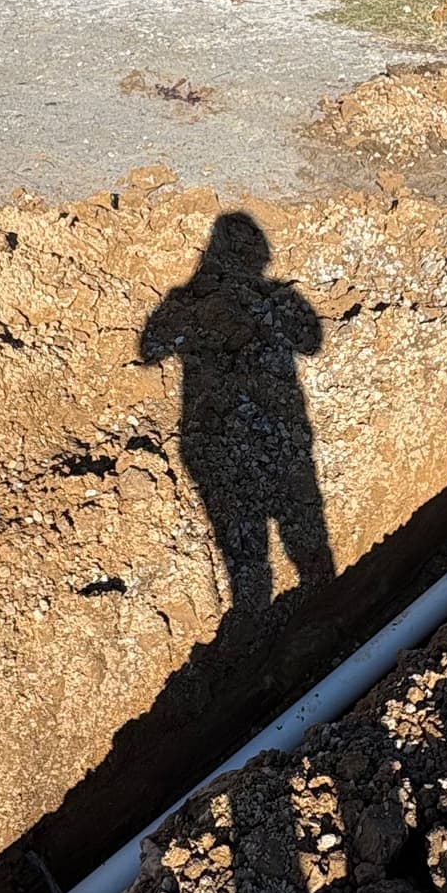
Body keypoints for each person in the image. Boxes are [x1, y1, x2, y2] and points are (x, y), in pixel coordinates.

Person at [139, 211, 335, 622]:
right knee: (268, 530)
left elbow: (150, 347)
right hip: (231, 444)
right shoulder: (202, 301)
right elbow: (312, 343)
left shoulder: (185, 301)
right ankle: (265, 617)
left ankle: (295, 607)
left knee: (266, 533)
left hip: (232, 445)